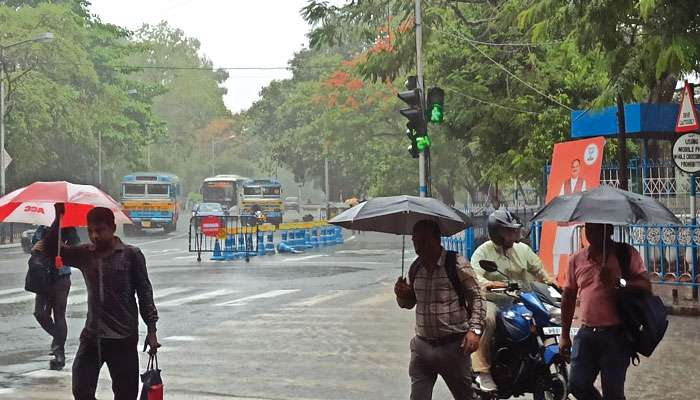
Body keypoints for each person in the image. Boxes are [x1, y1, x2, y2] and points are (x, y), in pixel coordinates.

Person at [42, 204, 160, 400]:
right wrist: (58, 217)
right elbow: (50, 250)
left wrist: (152, 330)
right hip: (92, 337)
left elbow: (145, 294)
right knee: (81, 390)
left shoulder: (131, 255)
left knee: (126, 394)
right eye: (90, 231)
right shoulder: (85, 254)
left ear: (113, 228)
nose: (95, 236)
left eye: (99, 230)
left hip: (123, 338)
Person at [394, 219, 485, 400]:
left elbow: (478, 297)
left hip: (452, 347)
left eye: (423, 240)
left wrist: (475, 330)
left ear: (436, 239)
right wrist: (401, 294)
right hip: (422, 347)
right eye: (415, 240)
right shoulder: (415, 268)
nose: (418, 245)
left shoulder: (456, 264)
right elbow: (409, 303)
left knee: (464, 395)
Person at [559, 223, 651, 400]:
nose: (591, 232)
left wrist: (618, 282)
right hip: (586, 334)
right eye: (588, 227)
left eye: (597, 227)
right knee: (577, 385)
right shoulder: (577, 259)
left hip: (617, 336)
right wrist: (564, 335)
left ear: (609, 230)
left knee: (613, 393)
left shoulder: (626, 255)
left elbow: (645, 285)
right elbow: (568, 296)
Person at [470, 209, 552, 392]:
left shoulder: (522, 250)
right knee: (487, 319)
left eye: (514, 230)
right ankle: (483, 371)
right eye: (509, 230)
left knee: (544, 316)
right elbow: (475, 278)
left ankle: (533, 360)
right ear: (496, 232)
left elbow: (540, 271)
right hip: (493, 301)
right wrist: (491, 284)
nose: (514, 233)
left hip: (520, 300)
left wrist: (553, 286)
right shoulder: (483, 252)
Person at [31, 225, 81, 370]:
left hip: (61, 277)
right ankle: (58, 339)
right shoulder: (41, 229)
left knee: (59, 314)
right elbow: (34, 250)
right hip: (43, 276)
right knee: (40, 313)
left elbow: (76, 249)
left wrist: (62, 248)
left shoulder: (67, 228)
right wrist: (35, 249)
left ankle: (59, 351)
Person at [553, 158, 588, 278]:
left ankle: (569, 275)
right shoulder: (565, 183)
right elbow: (561, 198)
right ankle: (555, 274)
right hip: (564, 220)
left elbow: (582, 200)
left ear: (579, 168)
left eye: (576, 167)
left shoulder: (582, 182)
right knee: (557, 249)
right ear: (570, 168)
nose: (574, 169)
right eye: (572, 167)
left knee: (572, 250)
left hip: (575, 222)